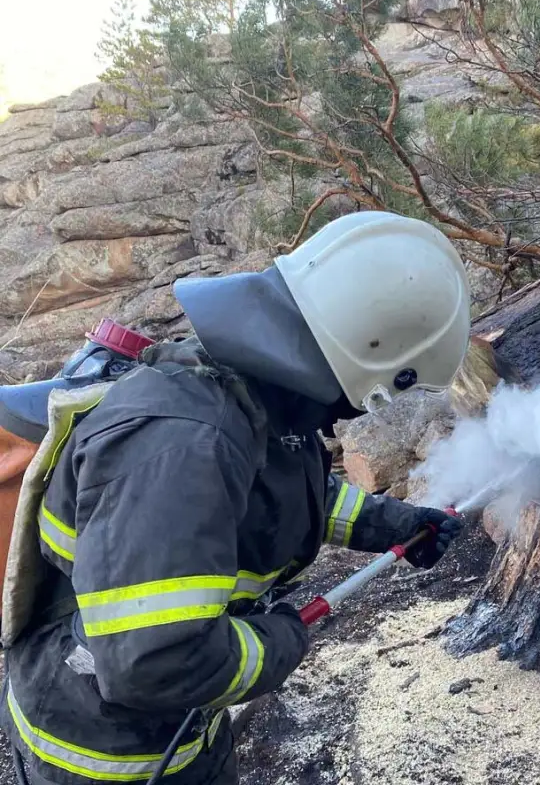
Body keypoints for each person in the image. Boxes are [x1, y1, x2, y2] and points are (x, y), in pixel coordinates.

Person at [0, 211, 470, 785]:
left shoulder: (257, 392)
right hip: (102, 754)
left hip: (181, 727)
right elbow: (157, 663)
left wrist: (394, 523)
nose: (358, 413)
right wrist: (281, 637)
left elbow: (275, 495)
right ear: (364, 357)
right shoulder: (184, 446)